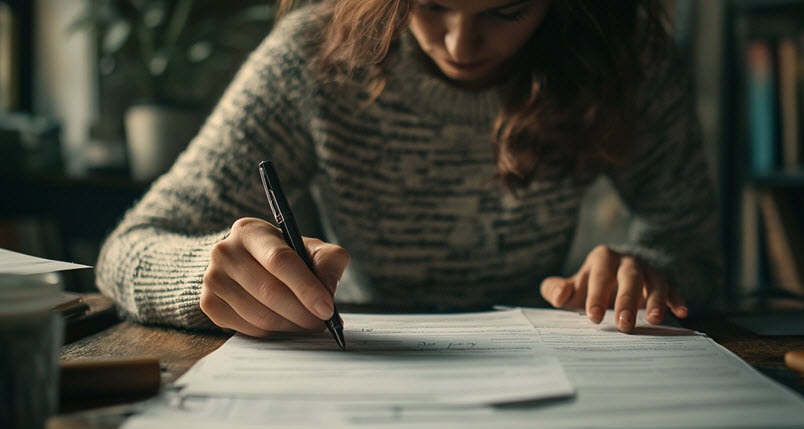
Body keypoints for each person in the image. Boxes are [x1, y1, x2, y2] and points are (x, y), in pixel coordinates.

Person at [96, 0, 721, 337]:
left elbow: (693, 243)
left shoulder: (622, 54)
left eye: (507, 12)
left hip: (555, 353)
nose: (458, 46)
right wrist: (209, 273)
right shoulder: (314, 55)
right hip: (360, 358)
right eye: (429, 4)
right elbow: (127, 250)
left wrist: (654, 270)